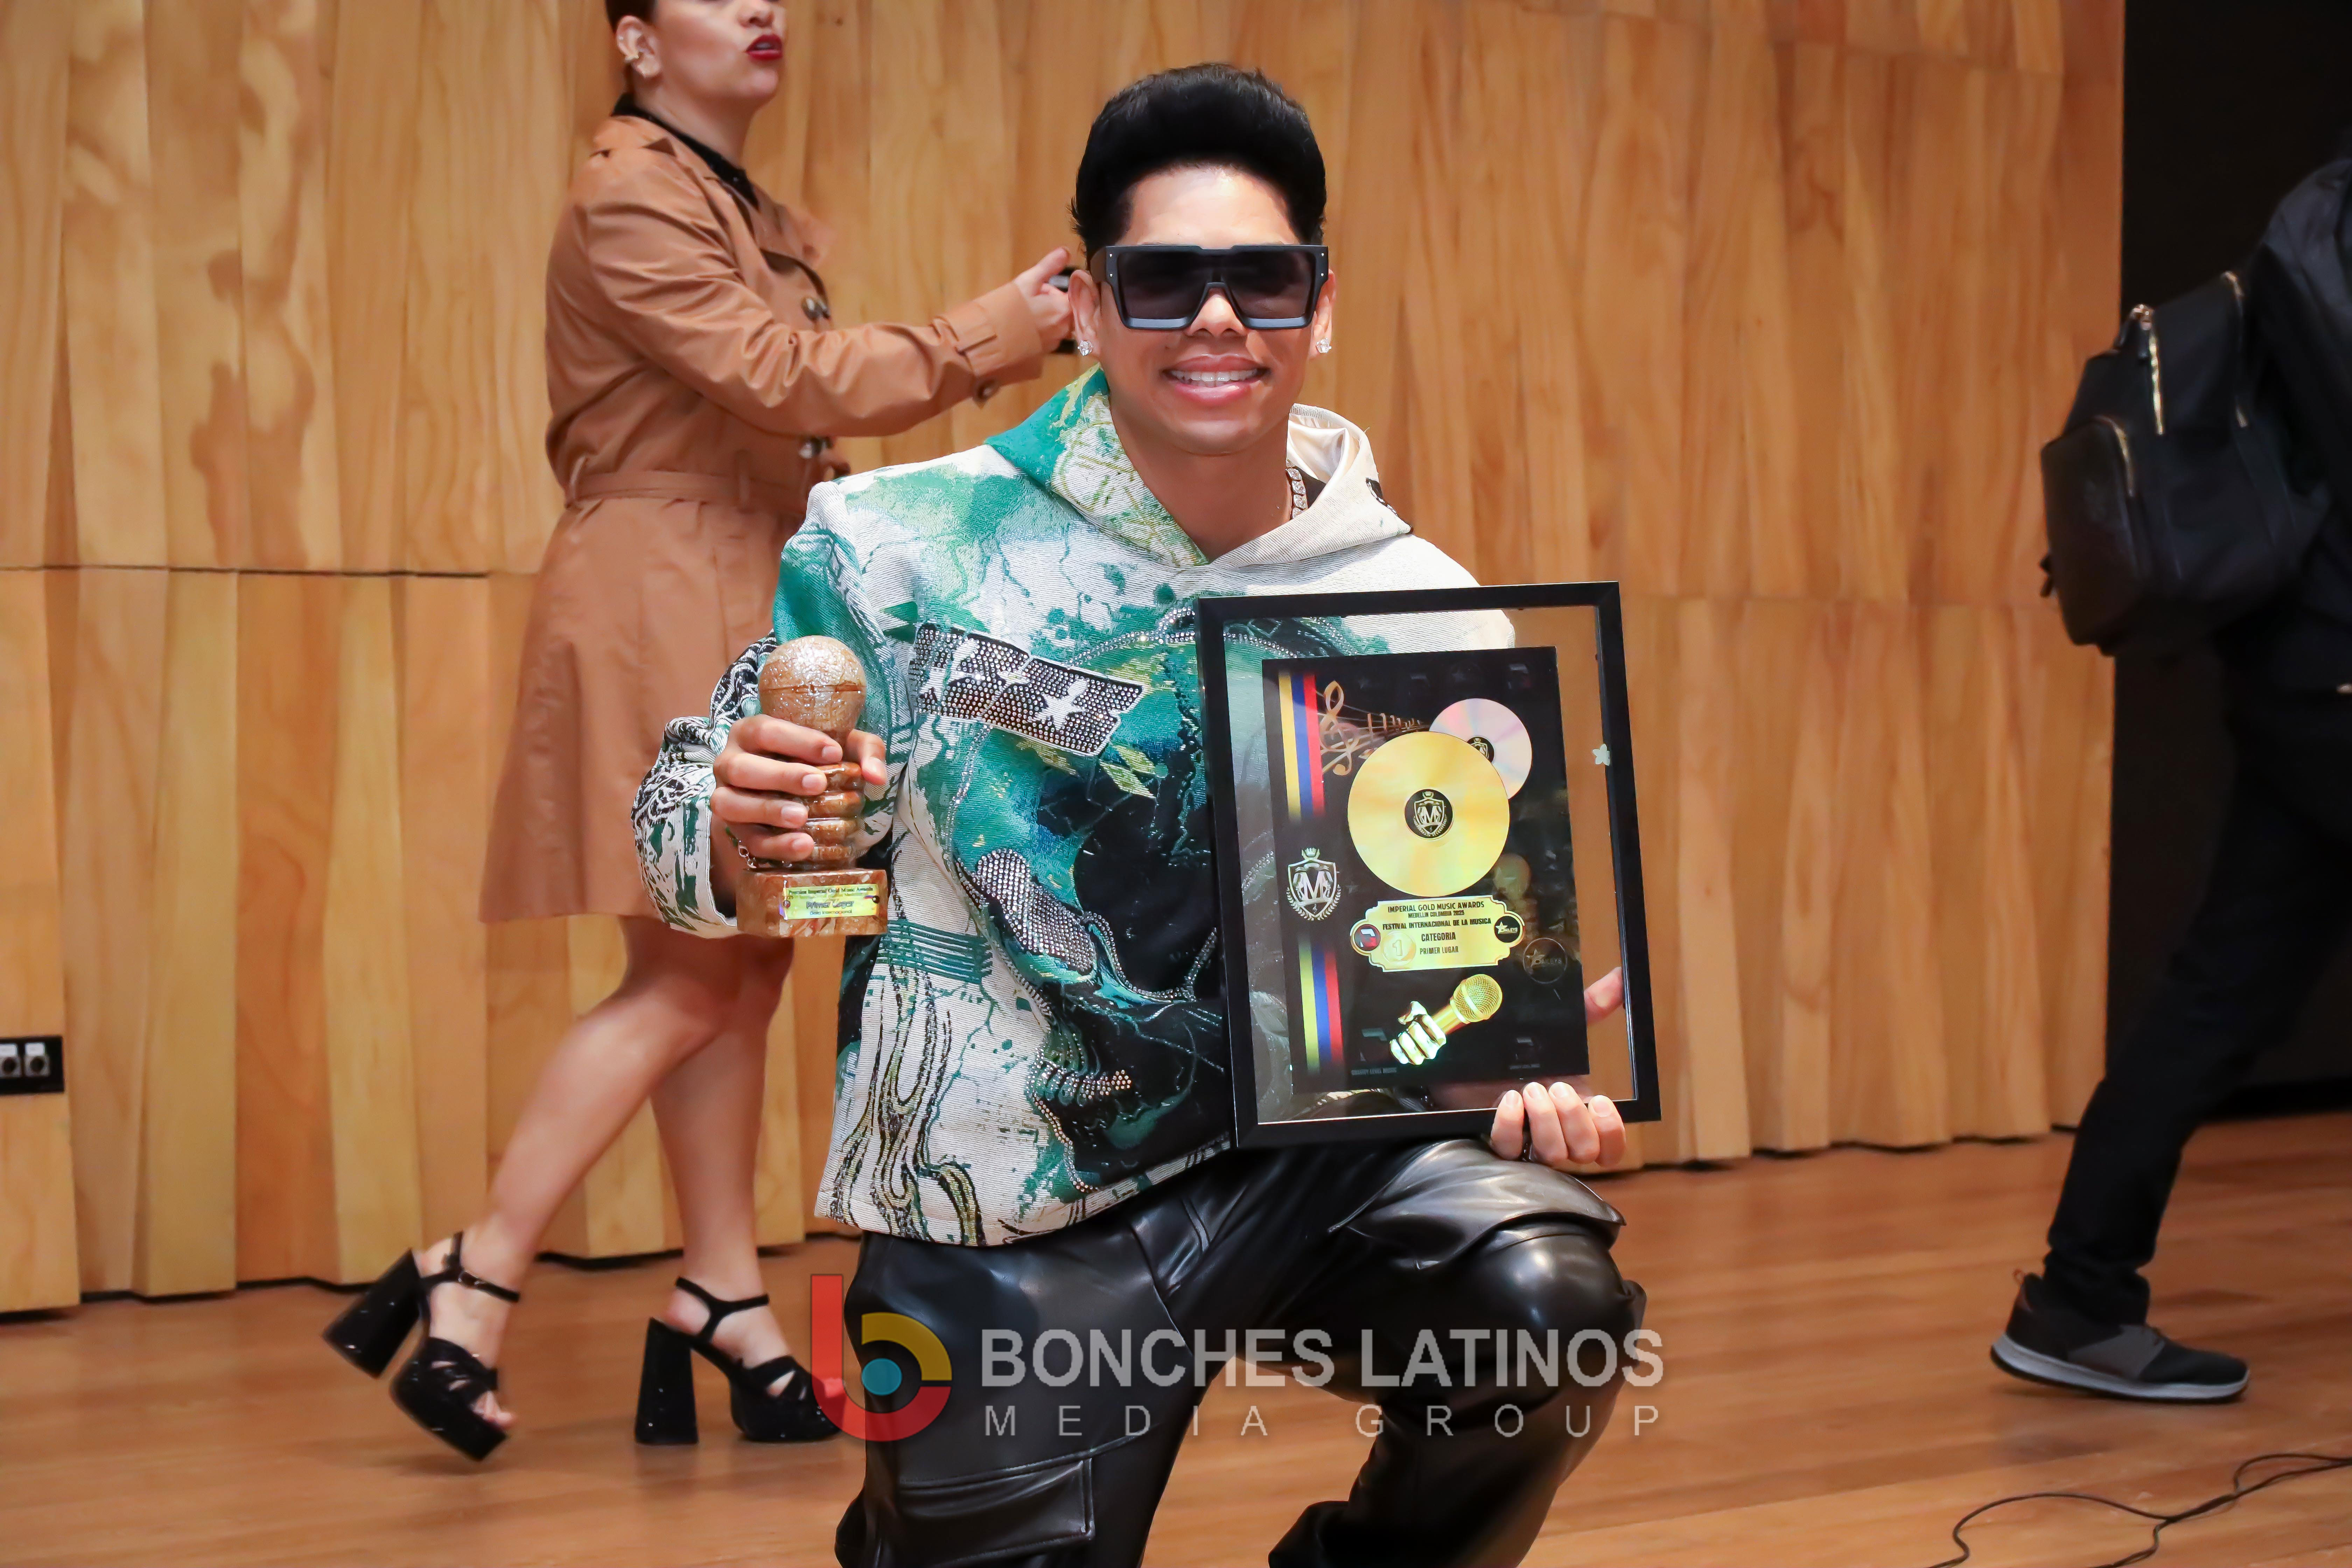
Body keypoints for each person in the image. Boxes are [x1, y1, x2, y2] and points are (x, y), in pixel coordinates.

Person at [637, 65, 1645, 1566]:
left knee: (1545, 1297)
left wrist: (1523, 1058)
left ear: (1322, 304)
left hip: (1326, 1168)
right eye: (1166, 281)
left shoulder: (1415, 601)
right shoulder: (899, 543)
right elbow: (750, 872)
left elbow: (1442, 966)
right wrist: (737, 830)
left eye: (1265, 279)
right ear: (1092, 306)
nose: (1220, 319)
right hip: (1015, 1205)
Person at [322, 0, 1073, 1462]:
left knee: (735, 971)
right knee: (685, 970)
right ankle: (471, 1279)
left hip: (746, 579)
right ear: (635, 41)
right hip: (666, 583)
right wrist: (1003, 329)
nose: (764, 8)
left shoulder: (725, 196)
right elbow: (787, 381)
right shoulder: (628, 192)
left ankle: (722, 1295)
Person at [1993, 497, 2352, 1401]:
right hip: (2336, 660)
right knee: (2218, 992)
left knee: (2220, 991)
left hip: (2296, 663)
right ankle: (2081, 1296)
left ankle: (2080, 1300)